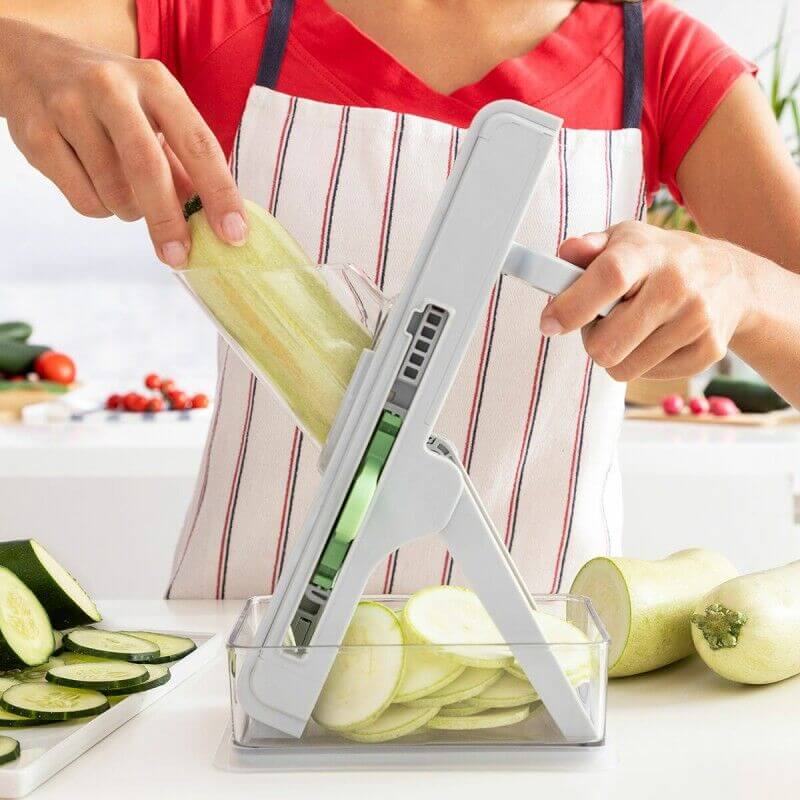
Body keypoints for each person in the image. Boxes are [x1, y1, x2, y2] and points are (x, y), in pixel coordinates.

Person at [1, 0, 799, 599]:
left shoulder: (660, 59)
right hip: (241, 652)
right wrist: (18, 55)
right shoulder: (221, 16)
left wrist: (746, 285)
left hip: (543, 670)